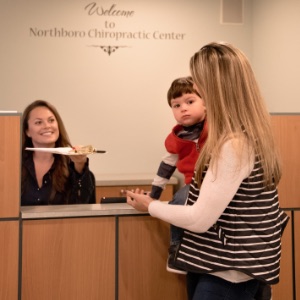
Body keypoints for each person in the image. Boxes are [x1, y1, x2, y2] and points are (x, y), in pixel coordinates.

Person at [127, 42, 289, 300]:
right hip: (236, 269)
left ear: (215, 88)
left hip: (228, 276)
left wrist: (150, 205)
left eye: (199, 83)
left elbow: (199, 219)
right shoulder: (251, 136)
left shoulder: (234, 145)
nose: (197, 89)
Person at [150, 76, 207, 274]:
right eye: (176, 105)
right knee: (179, 199)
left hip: (216, 182)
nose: (183, 108)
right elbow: (166, 166)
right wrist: (153, 195)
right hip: (193, 185)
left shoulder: (214, 127)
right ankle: (177, 250)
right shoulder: (177, 138)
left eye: (190, 102)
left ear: (206, 103)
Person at [21, 100, 96, 205]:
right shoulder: (15, 165)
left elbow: (83, 206)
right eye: (38, 122)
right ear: (27, 131)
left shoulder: (71, 165)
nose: (47, 126)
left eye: (51, 120)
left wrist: (79, 166)